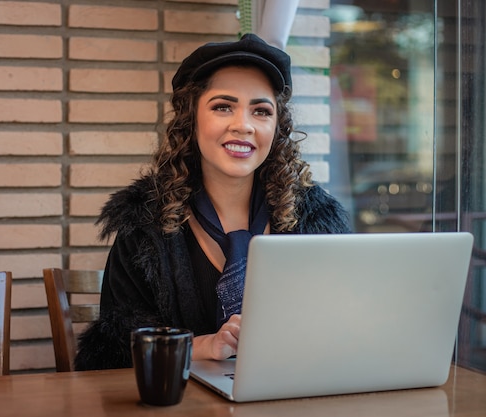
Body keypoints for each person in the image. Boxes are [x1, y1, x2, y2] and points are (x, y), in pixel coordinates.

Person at [74, 33, 351, 370]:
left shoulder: (316, 220)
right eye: (223, 106)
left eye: (261, 111)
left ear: (277, 127)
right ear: (192, 119)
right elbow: (113, 353)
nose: (243, 125)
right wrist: (198, 346)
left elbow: (343, 327)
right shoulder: (143, 225)